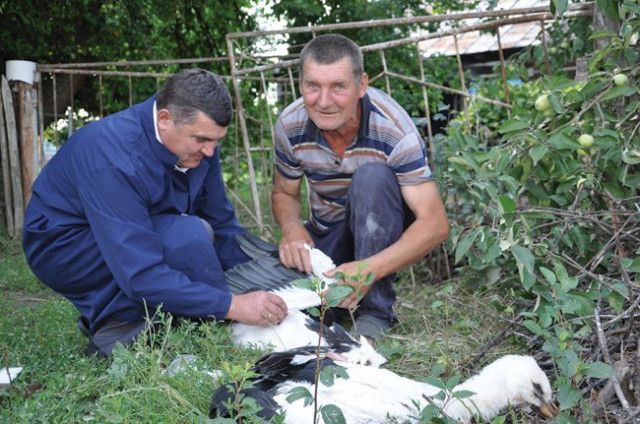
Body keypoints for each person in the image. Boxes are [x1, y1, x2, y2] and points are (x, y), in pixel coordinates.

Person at [23, 68, 287, 357]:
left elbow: (222, 225)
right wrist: (232, 306)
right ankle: (117, 330)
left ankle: (165, 312)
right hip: (64, 248)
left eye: (216, 140)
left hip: (130, 228)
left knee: (198, 235)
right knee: (188, 238)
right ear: (164, 120)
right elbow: (140, 273)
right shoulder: (114, 159)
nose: (210, 151)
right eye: (201, 140)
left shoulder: (199, 142)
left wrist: (275, 274)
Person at [271, 34, 450, 342]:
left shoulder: (394, 129)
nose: (323, 101)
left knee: (372, 178)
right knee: (282, 301)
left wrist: (369, 268)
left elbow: (435, 224)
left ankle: (375, 313)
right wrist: (292, 229)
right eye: (313, 86)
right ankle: (334, 304)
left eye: (338, 87)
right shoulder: (290, 124)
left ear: (362, 85)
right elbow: (284, 193)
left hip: (380, 233)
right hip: (328, 231)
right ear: (300, 84)